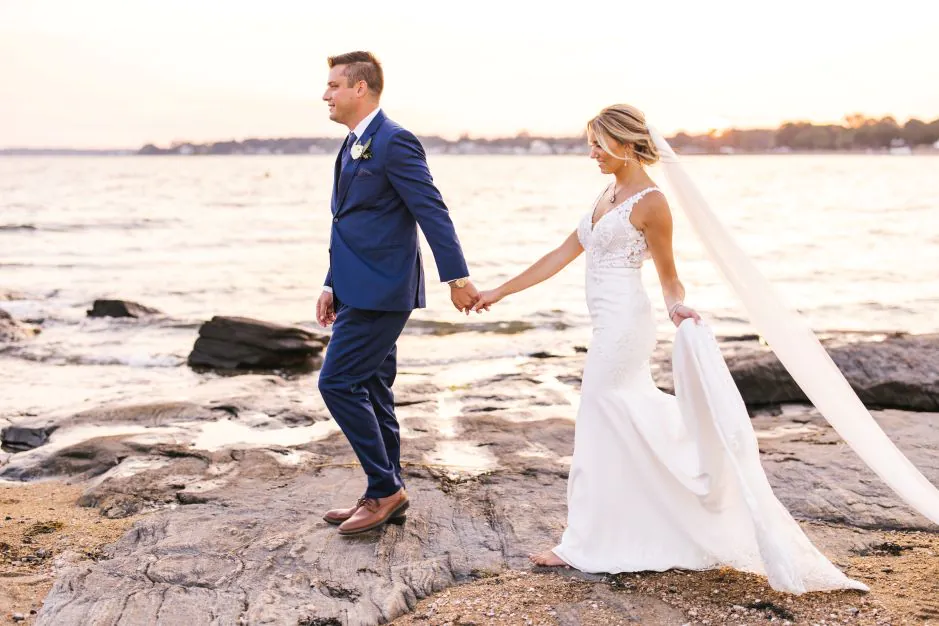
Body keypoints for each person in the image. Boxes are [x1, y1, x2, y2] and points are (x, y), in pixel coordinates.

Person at [472, 104, 870, 593]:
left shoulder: (652, 203)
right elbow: (559, 254)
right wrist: (497, 293)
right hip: (605, 327)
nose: (591, 153)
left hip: (625, 329)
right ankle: (622, 524)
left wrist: (678, 306)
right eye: (590, 144)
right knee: (616, 424)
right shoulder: (607, 193)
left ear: (626, 142)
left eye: (599, 144)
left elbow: (668, 275)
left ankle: (583, 541)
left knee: (597, 421)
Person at [316, 51, 480, 536]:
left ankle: (386, 490)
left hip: (384, 292)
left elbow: (432, 212)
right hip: (353, 288)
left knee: (336, 382)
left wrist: (458, 279)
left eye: (333, 86)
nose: (325, 95)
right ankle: (383, 490)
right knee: (371, 388)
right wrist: (331, 283)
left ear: (360, 88)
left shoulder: (394, 141)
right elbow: (348, 222)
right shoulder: (350, 146)